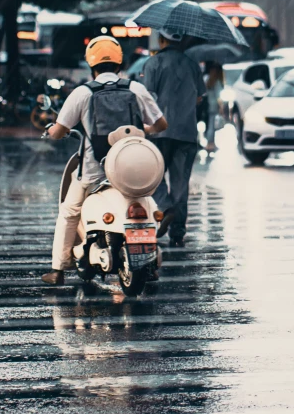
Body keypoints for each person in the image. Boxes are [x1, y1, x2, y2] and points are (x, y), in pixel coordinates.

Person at [41, 36, 168, 285]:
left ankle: (57, 269)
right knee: (145, 203)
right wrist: (138, 131)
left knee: (69, 211)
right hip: (133, 168)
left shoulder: (82, 93)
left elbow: (57, 131)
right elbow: (161, 124)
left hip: (94, 170)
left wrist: (54, 130)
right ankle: (149, 263)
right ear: (119, 63)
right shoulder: (135, 89)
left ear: (92, 65)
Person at [142, 30, 206, 248]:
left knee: (151, 176)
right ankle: (177, 233)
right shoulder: (192, 65)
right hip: (186, 132)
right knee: (180, 185)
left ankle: (165, 206)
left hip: (158, 131)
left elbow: (147, 97)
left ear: (161, 40)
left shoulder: (154, 63)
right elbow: (199, 97)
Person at [204, 61, 224, 152]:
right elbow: (218, 96)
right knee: (212, 126)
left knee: (209, 125)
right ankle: (210, 143)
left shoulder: (206, 79)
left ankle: (210, 143)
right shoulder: (217, 82)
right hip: (213, 105)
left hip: (206, 105)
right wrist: (221, 106)